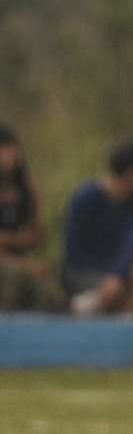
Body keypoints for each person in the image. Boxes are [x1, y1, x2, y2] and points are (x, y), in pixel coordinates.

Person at [61, 139, 133, 316]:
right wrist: (113, 277)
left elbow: (132, 242)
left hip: (117, 272)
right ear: (132, 173)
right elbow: (73, 250)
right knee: (117, 291)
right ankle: (79, 310)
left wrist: (118, 274)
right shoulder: (86, 198)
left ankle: (112, 311)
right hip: (83, 270)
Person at [0, 125, 55, 312]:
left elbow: (37, 236)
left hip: (19, 258)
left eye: (10, 150)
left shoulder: (28, 187)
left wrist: (8, 240)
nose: (7, 156)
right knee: (13, 279)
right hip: (12, 265)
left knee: (46, 293)